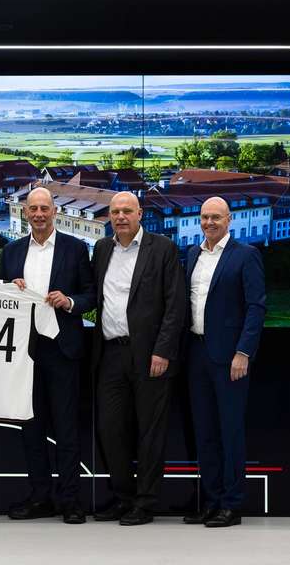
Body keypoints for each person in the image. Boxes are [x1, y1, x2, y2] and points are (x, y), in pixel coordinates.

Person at [0, 187, 95, 524]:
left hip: (62, 349)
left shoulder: (75, 248)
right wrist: (8, 289)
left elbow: (90, 295)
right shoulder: (10, 252)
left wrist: (69, 302)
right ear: (26, 212)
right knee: (31, 429)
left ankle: (69, 500)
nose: (39, 214)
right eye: (33, 209)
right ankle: (40, 498)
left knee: (67, 429)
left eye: (45, 208)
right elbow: (0, 298)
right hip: (24, 352)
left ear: (54, 212)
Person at [91, 191, 186, 526]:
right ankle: (122, 498)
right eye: (115, 212)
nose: (120, 217)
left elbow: (175, 306)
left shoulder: (163, 249)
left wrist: (163, 350)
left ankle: (145, 502)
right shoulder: (102, 249)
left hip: (149, 356)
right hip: (110, 354)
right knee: (110, 428)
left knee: (149, 431)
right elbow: (93, 294)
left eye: (127, 211)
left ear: (140, 213)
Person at [183, 196, 265, 528]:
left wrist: (243, 352)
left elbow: (256, 307)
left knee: (230, 432)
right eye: (204, 217)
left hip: (230, 358)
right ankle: (211, 501)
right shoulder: (192, 254)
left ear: (229, 219)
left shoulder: (246, 255)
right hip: (196, 354)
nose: (209, 223)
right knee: (204, 434)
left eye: (216, 217)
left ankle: (232, 504)